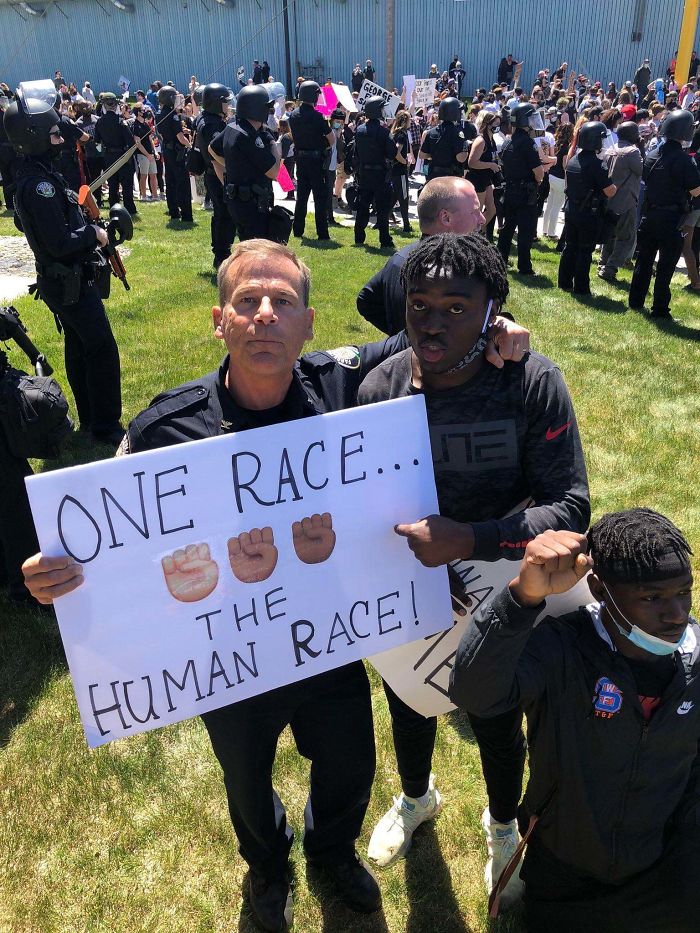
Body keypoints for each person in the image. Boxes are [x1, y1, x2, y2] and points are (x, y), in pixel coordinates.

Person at [358, 233, 589, 911]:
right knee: (407, 702)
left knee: (495, 711)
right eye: (420, 302)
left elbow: (570, 506)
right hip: (412, 581)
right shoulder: (381, 387)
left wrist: (474, 539)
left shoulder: (530, 381)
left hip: (505, 585)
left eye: (456, 306)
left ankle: (502, 824)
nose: (433, 320)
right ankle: (416, 795)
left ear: (494, 312)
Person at [450, 509, 700, 933]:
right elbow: (476, 694)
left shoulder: (695, 661)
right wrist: (521, 599)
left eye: (684, 592)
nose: (676, 613)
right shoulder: (561, 649)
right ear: (600, 589)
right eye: (652, 598)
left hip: (662, 859)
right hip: (567, 864)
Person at [4, 79, 123, 446]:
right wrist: (95, 235)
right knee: (101, 348)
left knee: (79, 346)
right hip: (68, 279)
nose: (60, 140)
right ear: (35, 137)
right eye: (54, 135)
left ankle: (89, 418)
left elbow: (46, 225)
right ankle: (104, 426)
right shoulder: (39, 186)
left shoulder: (35, 175)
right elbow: (58, 243)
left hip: (63, 281)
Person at [357, 176, 486, 334]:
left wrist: (399, 339)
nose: (482, 219)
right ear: (445, 217)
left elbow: (365, 301)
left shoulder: (400, 258)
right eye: (475, 211)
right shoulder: (456, 272)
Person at [629, 109, 700, 317]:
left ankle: (636, 300)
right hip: (670, 218)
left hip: (649, 215)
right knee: (666, 265)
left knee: (644, 260)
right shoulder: (684, 160)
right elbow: (696, 191)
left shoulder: (652, 155)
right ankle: (660, 308)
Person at [209, 84, 281, 241]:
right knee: (256, 250)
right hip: (251, 204)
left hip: (238, 200)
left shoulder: (232, 127)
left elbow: (212, 149)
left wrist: (235, 165)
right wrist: (273, 144)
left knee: (246, 244)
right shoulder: (249, 136)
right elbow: (274, 172)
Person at [557, 121, 617, 296]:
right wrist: (616, 185)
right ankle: (581, 288)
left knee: (570, 246)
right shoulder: (597, 165)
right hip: (588, 213)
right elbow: (610, 191)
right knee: (585, 250)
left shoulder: (574, 159)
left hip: (572, 209)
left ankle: (564, 282)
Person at [498, 103, 544, 275]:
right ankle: (525, 267)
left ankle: (500, 260)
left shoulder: (508, 141)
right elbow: (538, 172)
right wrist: (539, 178)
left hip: (510, 191)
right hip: (526, 194)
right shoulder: (528, 143)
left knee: (507, 228)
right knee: (525, 231)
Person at [196, 83, 237, 268]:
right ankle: (221, 254)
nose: (228, 106)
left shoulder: (209, 119)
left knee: (222, 215)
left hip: (215, 173)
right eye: (225, 103)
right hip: (216, 173)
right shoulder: (210, 124)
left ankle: (222, 252)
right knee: (224, 215)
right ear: (215, 104)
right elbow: (216, 154)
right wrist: (227, 179)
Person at [597, 121, 643, 282]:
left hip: (609, 199)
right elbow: (641, 170)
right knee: (626, 238)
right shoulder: (633, 152)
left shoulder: (610, 149)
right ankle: (610, 268)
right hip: (626, 201)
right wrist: (641, 147)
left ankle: (603, 263)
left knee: (610, 235)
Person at [288, 81, 333, 241]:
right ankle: (322, 233)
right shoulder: (318, 116)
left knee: (302, 196)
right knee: (320, 197)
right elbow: (331, 139)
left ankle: (298, 229)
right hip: (315, 160)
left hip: (300, 158)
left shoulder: (293, 115)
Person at [353, 95, 397, 250]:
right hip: (380, 175)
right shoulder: (384, 131)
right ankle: (385, 240)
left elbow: (356, 152)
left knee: (363, 206)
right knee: (383, 209)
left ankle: (359, 236)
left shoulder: (359, 130)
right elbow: (392, 152)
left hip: (364, 173)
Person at [94, 92, 137, 215]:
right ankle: (130, 209)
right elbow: (131, 141)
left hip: (108, 156)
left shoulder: (100, 122)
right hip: (123, 156)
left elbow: (97, 142)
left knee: (112, 185)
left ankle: (114, 208)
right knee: (126, 185)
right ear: (115, 106)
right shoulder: (121, 121)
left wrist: (103, 153)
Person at [157, 86, 193, 223]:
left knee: (170, 182)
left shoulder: (160, 114)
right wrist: (190, 145)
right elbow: (179, 137)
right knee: (182, 183)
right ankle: (186, 215)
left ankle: (174, 212)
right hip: (177, 152)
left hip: (167, 150)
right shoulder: (173, 116)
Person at [418, 97, 468, 180]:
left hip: (434, 176)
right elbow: (461, 158)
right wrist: (465, 145)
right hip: (451, 178)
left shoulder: (431, 132)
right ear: (454, 112)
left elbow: (422, 155)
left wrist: (437, 154)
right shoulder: (458, 133)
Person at [466, 110, 500, 227]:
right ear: (487, 124)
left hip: (487, 179)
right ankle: (471, 234)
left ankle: (477, 232)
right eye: (495, 124)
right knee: (477, 213)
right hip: (477, 179)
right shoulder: (481, 141)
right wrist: (490, 165)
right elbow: (472, 162)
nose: (497, 127)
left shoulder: (492, 140)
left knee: (492, 210)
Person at [541, 122, 572, 238]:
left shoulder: (556, 143)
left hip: (551, 175)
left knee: (549, 204)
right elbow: (565, 165)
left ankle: (545, 229)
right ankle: (551, 233)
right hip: (560, 178)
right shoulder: (566, 146)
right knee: (557, 206)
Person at [389, 109, 412, 234]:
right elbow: (397, 151)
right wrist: (404, 161)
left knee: (393, 197)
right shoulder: (402, 135)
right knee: (403, 197)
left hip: (394, 171)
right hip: (400, 171)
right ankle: (406, 225)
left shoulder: (394, 133)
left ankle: (381, 221)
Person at [131, 104, 158, 203]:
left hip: (150, 154)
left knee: (153, 174)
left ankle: (155, 195)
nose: (145, 111)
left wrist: (154, 151)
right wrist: (147, 154)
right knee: (144, 175)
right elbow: (138, 143)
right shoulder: (135, 125)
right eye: (143, 110)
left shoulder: (146, 124)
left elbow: (150, 139)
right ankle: (144, 195)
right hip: (142, 155)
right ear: (138, 112)